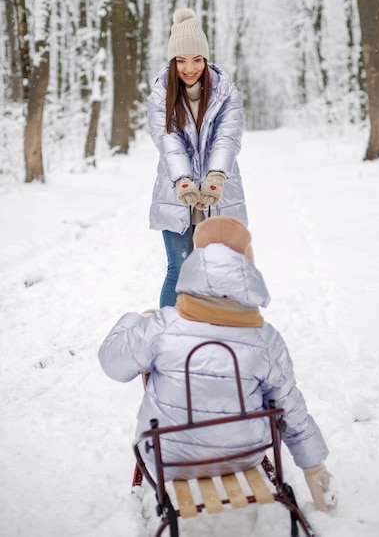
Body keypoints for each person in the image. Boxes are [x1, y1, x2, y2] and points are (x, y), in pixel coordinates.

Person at [98, 216, 338, 512]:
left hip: (169, 458)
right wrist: (316, 472)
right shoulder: (266, 339)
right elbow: (292, 410)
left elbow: (113, 363)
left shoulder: (164, 325)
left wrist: (135, 320)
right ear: (248, 270)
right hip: (243, 455)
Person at [147, 8, 247, 307]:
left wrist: (216, 177)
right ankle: (167, 334)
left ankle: (213, 337)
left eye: (197, 59)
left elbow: (227, 137)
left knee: (218, 273)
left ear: (206, 59)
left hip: (221, 193)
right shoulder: (160, 94)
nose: (189, 67)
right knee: (178, 269)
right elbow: (168, 140)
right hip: (175, 192)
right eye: (181, 60)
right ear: (172, 61)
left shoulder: (226, 93)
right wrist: (183, 180)